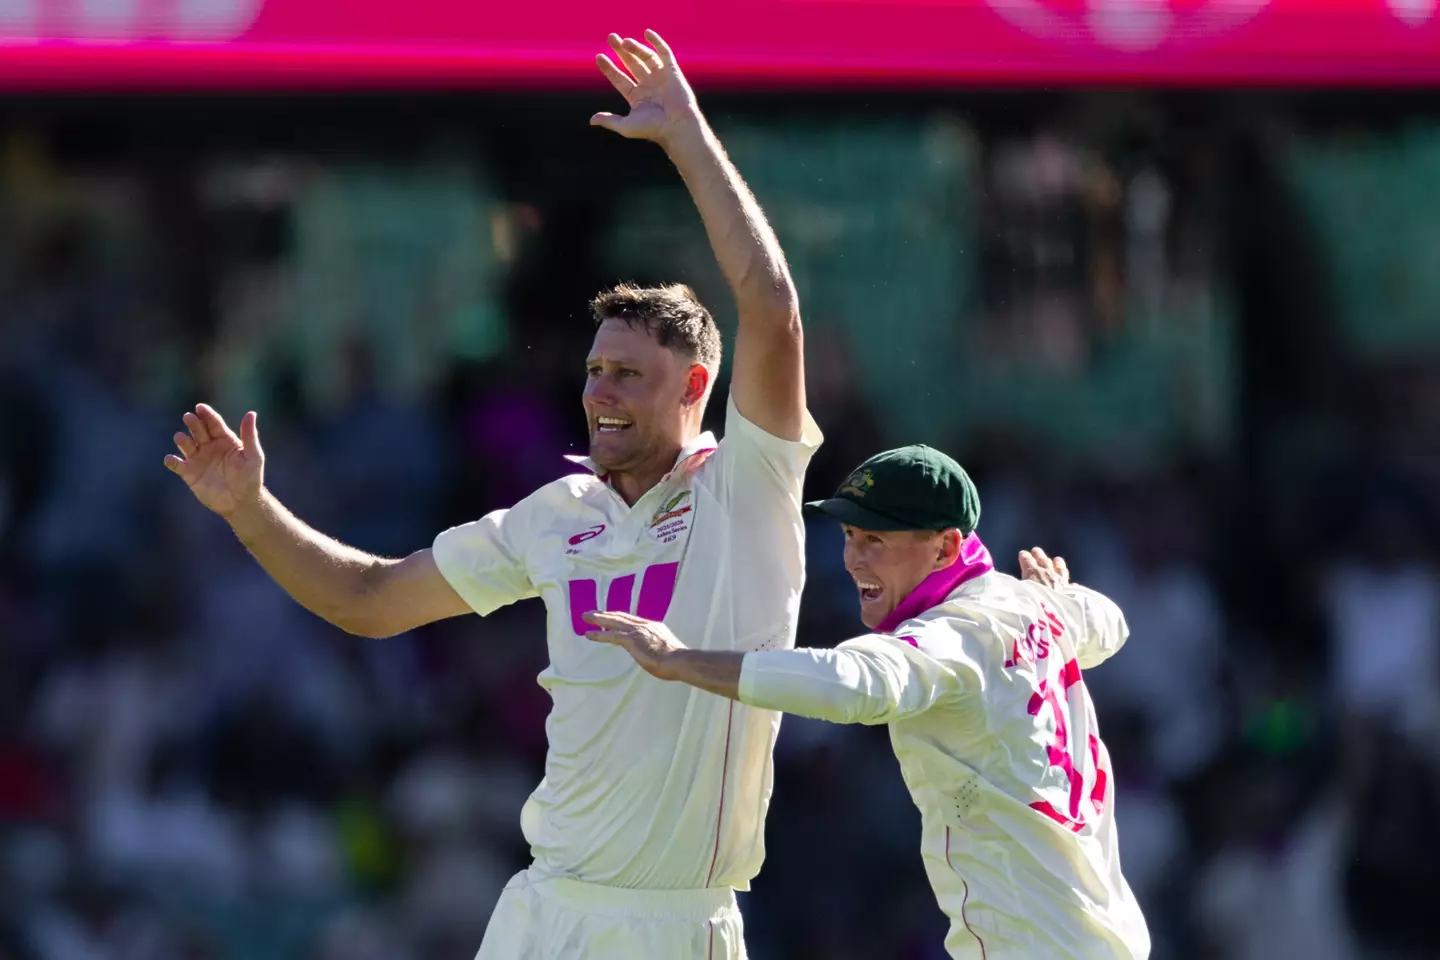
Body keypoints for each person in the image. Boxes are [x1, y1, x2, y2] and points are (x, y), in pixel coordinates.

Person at [163, 30, 821, 960]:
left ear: (695, 386)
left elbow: (772, 308)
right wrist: (248, 509)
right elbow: (371, 600)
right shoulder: (556, 515)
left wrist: (686, 138)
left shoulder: (747, 491)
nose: (599, 393)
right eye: (594, 371)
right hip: (543, 915)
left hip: (679, 921)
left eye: (629, 375)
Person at [586, 445, 1151, 959]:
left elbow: (851, 683)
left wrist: (679, 660)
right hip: (1105, 937)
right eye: (850, 535)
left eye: (876, 540)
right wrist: (1057, 597)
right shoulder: (1026, 605)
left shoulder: (955, 635)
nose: (853, 560)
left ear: (946, 547)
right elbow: (1109, 623)